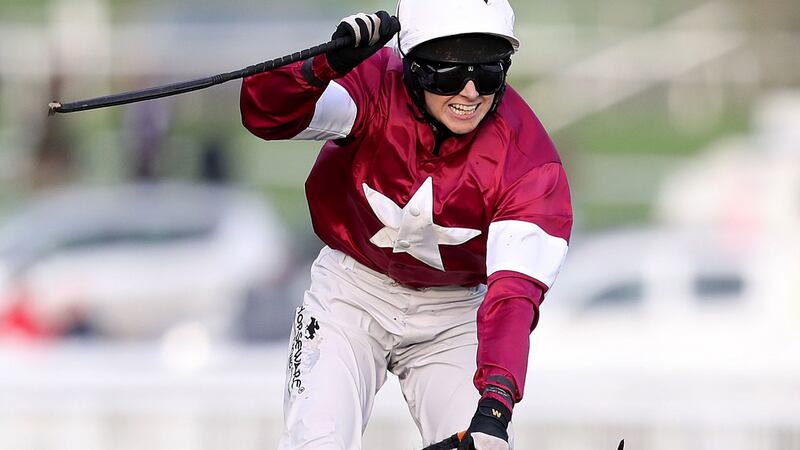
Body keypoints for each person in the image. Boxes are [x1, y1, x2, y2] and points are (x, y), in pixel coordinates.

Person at [240, 0, 572, 449]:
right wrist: (323, 64)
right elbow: (264, 114)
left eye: (488, 72)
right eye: (448, 73)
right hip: (351, 292)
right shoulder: (373, 83)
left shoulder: (531, 165)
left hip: (453, 314)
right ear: (413, 68)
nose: (470, 92)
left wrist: (496, 407)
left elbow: (514, 298)